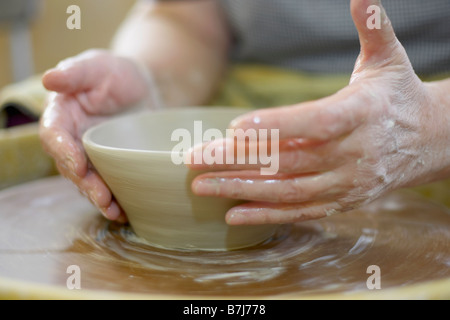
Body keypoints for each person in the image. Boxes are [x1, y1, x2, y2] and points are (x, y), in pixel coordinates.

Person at [39, 0, 450, 225]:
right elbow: (183, 14)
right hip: (242, 82)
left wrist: (430, 126)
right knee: (31, 106)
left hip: (426, 89)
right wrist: (149, 82)